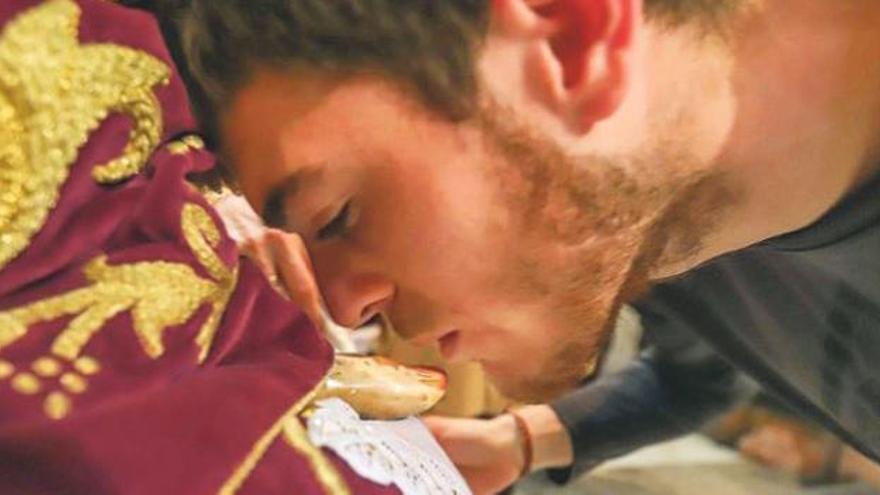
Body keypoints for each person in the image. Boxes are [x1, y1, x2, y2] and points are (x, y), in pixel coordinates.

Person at [170, 0, 880, 493]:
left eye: (339, 217)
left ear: (568, 44)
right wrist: (516, 444)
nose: (344, 309)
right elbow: (700, 378)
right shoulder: (648, 223)